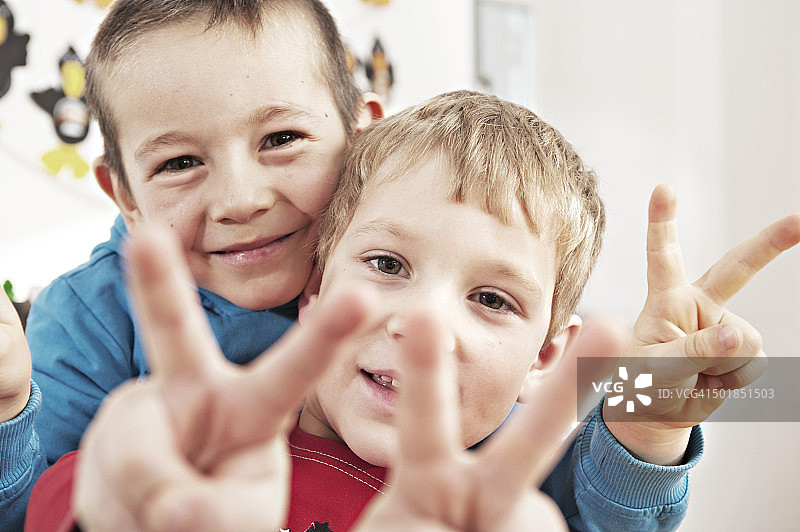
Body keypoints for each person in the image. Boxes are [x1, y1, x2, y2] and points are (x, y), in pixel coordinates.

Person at [25, 91, 800, 531]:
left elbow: (610, 495)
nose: (425, 324)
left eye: (492, 299)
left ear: (544, 357)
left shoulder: (503, 504)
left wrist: (653, 414)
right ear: (315, 287)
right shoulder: (196, 451)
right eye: (388, 265)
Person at [0, 1, 382, 529]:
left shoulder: (410, 275)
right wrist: (9, 412)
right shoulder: (87, 315)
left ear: (362, 141)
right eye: (179, 163)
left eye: (282, 139)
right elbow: (29, 513)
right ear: (127, 198)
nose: (240, 200)